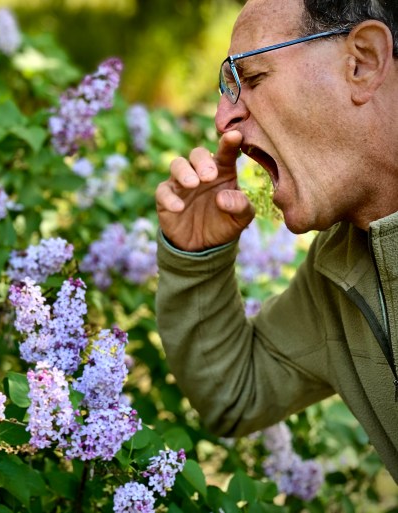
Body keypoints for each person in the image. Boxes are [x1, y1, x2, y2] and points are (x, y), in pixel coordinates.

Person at [154, 0, 398, 481]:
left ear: (363, 61)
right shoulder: (341, 264)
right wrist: (196, 259)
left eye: (254, 77)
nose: (223, 120)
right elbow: (235, 393)